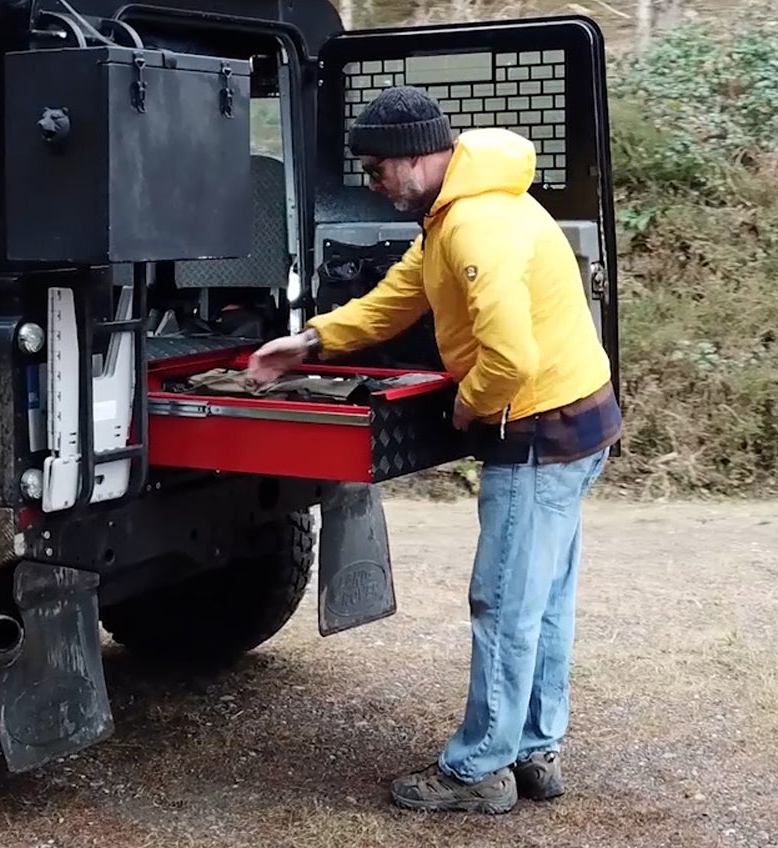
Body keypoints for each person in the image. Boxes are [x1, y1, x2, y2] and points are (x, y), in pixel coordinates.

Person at [246, 85, 621, 816]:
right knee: (542, 597)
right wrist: (312, 342)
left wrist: (467, 405)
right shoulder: (454, 215)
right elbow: (397, 298)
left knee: (505, 600)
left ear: (418, 158)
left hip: (540, 430)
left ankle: (480, 767)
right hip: (582, 419)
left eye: (379, 167)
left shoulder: (476, 225)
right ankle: (534, 747)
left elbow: (509, 359)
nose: (373, 180)